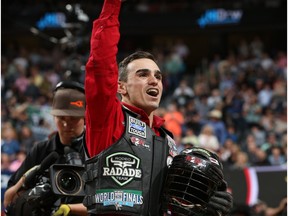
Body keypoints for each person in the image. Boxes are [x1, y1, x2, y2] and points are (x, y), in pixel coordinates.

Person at [82, 0, 232, 215]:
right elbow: (100, 64)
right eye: (142, 74)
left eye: (158, 76)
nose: (154, 80)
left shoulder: (168, 140)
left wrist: (203, 204)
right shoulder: (108, 119)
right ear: (120, 86)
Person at [3, 81, 87, 216]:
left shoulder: (94, 149)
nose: (66, 124)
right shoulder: (41, 150)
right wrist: (27, 179)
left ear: (85, 117)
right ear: (54, 117)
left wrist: (71, 209)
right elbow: (9, 199)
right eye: (61, 118)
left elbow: (107, 202)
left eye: (73, 118)